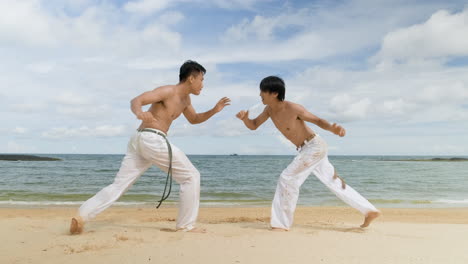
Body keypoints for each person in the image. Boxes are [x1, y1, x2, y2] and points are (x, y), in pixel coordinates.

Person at [70, 60, 231, 234]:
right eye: (202, 79)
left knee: (118, 185)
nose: (203, 84)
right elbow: (137, 100)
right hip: (151, 139)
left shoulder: (186, 100)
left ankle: (81, 216)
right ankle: (185, 225)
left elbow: (194, 119)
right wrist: (140, 113)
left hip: (141, 141)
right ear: (191, 78)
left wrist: (215, 110)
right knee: (191, 176)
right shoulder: (168, 91)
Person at [236, 76, 380, 231]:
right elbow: (254, 125)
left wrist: (332, 128)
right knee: (334, 181)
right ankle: (369, 210)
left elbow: (317, 121)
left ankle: (281, 224)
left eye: (262, 91)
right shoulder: (269, 110)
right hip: (307, 149)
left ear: (274, 93)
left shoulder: (293, 108)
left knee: (287, 178)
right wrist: (245, 119)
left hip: (314, 146)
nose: (260, 95)